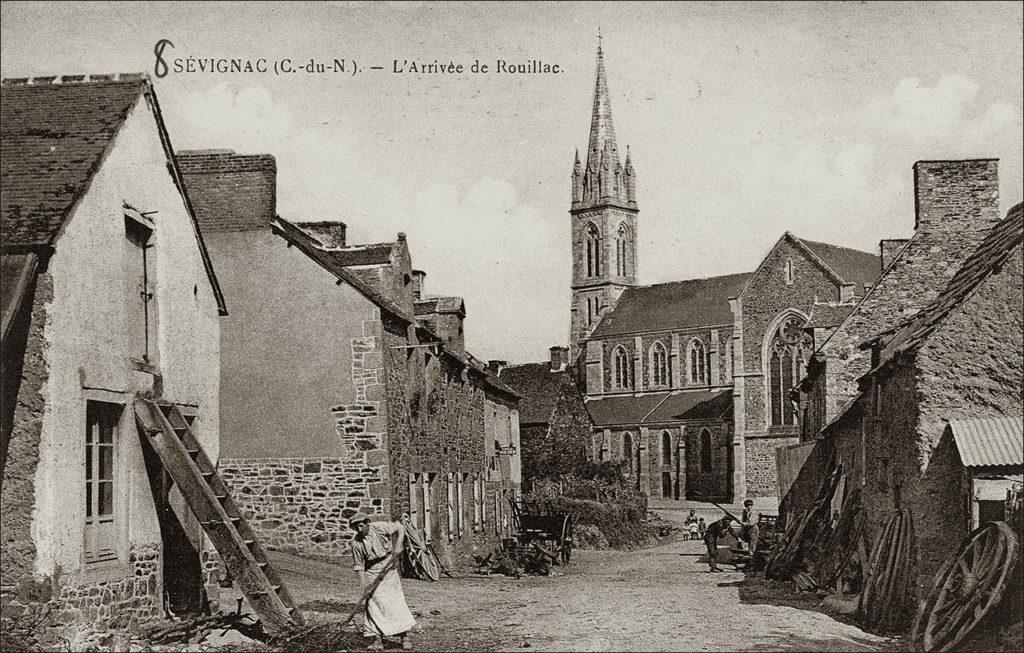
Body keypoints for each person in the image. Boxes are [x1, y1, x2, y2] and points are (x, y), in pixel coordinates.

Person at [349, 513, 416, 650]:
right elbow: (359, 567)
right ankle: (377, 640)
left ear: (367, 523)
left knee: (394, 602)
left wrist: (398, 545)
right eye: (356, 527)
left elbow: (400, 527)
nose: (359, 529)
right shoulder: (356, 543)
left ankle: (405, 637)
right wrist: (363, 586)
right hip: (371, 571)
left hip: (388, 567)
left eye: (361, 525)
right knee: (373, 605)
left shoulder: (379, 528)